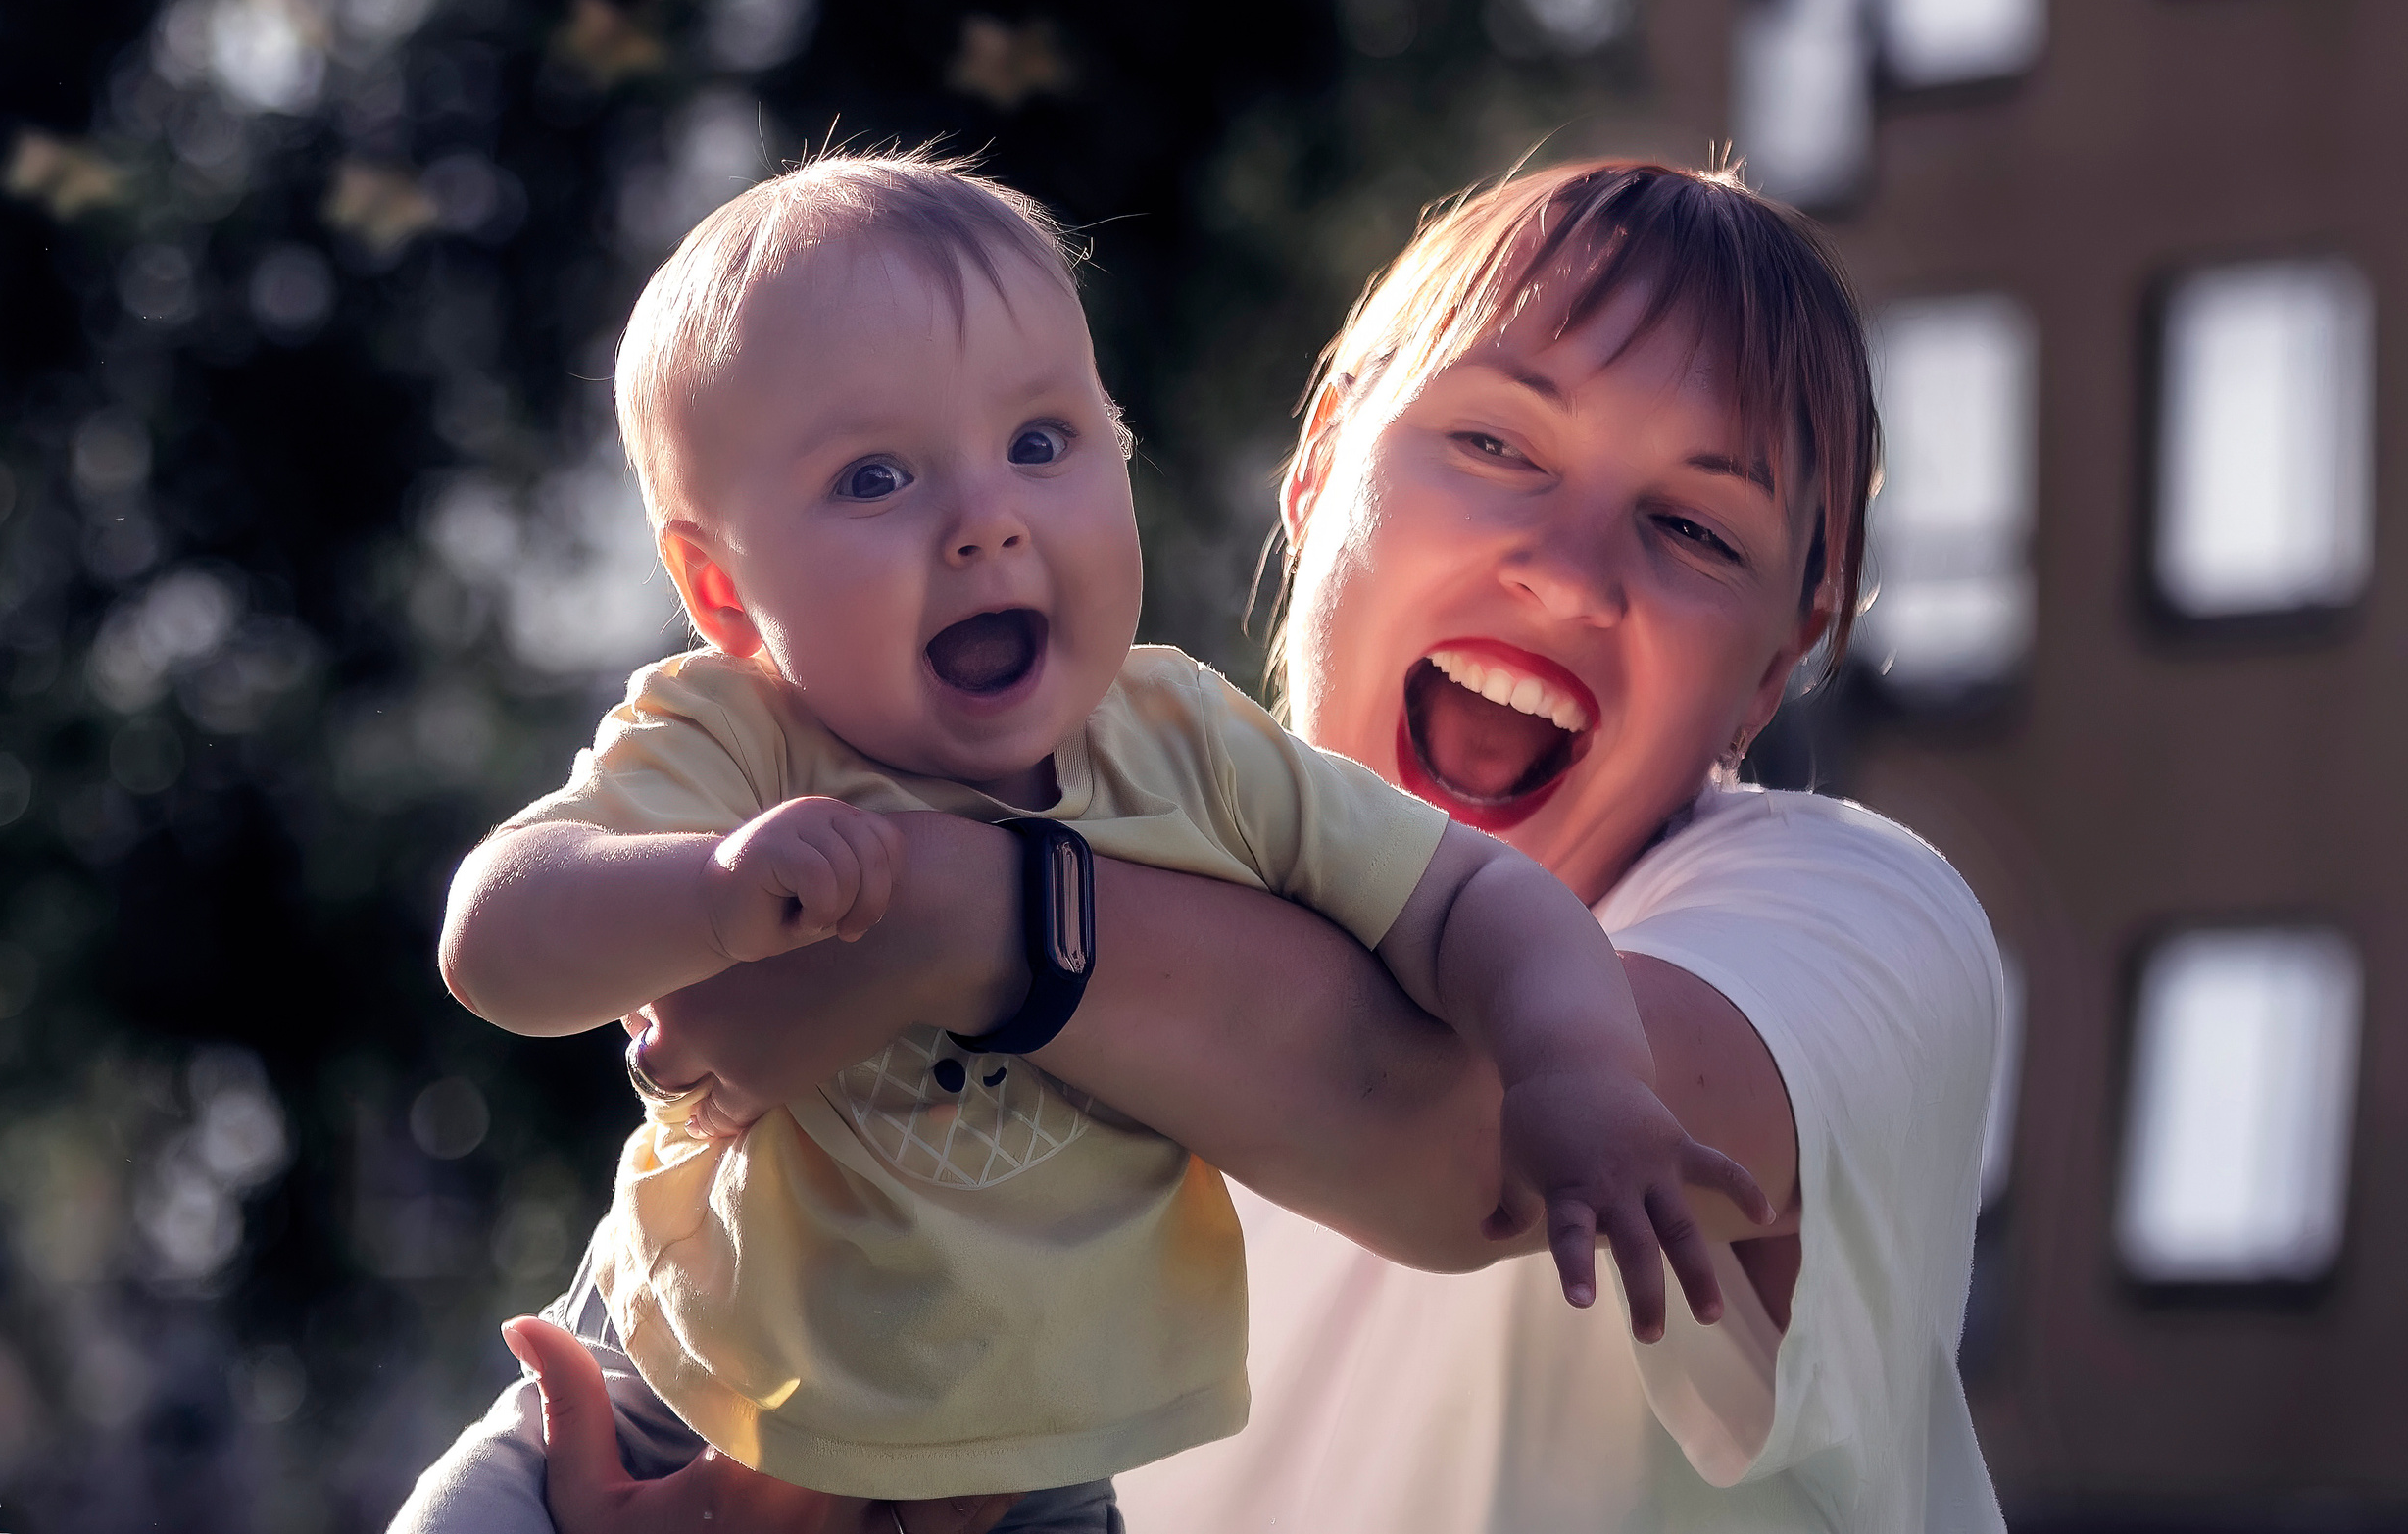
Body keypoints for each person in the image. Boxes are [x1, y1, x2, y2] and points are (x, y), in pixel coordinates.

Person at [398, 159, 2006, 1533]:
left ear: (1782, 658)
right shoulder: (968, 774)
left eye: (1697, 529)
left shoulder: (1856, 917)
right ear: (1317, 468)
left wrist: (945, 913)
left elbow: (1470, 1140)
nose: (1572, 574)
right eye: (1498, 446)